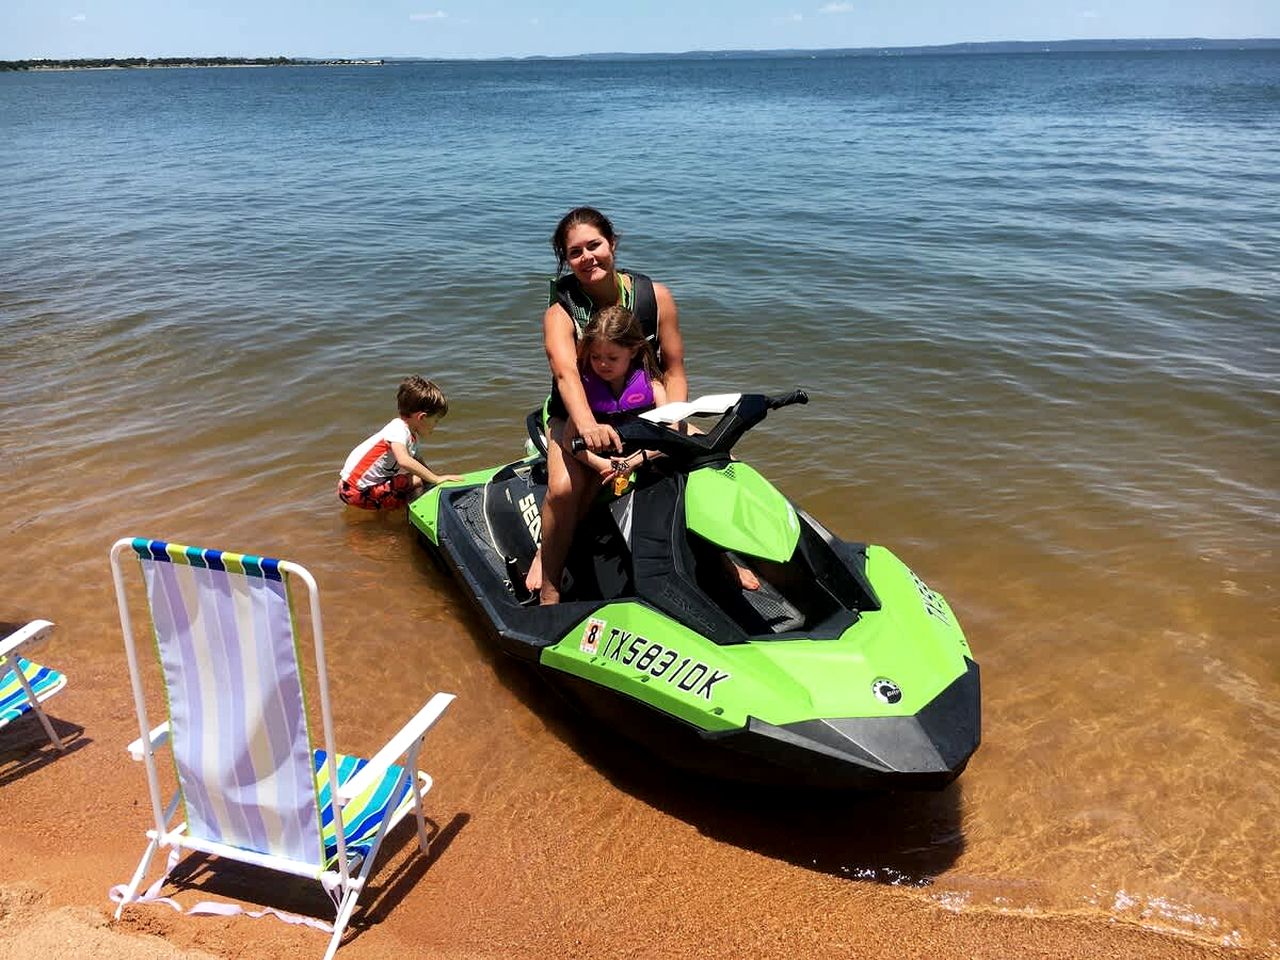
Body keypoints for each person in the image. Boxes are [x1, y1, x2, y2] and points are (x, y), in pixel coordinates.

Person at [528, 206, 688, 605]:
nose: (587, 257)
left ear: (612, 243)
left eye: (594, 245)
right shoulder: (560, 311)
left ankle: (728, 560)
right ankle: (549, 583)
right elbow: (565, 375)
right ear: (566, 260)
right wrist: (587, 426)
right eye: (575, 252)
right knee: (565, 491)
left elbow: (674, 369)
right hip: (578, 412)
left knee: (716, 459)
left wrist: (674, 419)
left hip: (643, 410)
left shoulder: (655, 297)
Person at [339, 376, 462, 510]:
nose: (436, 425)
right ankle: (417, 513)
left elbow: (419, 462)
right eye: (435, 421)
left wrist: (435, 479)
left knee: (418, 481)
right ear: (422, 417)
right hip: (356, 491)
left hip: (352, 488)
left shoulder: (410, 435)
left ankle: (406, 508)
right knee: (416, 481)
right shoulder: (398, 429)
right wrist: (436, 479)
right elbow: (404, 460)